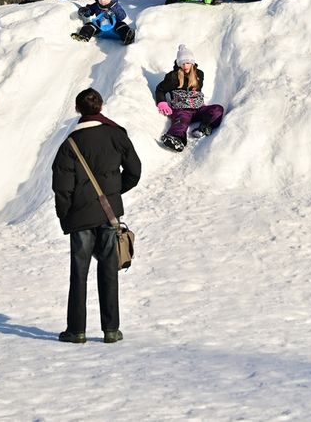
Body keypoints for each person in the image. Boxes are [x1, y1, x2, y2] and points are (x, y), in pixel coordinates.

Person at [50, 87, 141, 344]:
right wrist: (112, 193)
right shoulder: (116, 134)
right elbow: (134, 171)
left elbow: (62, 186)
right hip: (108, 214)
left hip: (80, 218)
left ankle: (76, 331)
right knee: (109, 271)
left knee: (78, 274)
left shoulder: (70, 144)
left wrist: (64, 216)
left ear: (78, 109)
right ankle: (111, 330)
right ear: (100, 107)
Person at [154, 45, 225, 152]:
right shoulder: (173, 77)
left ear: (192, 63)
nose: (185, 66)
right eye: (182, 63)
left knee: (218, 109)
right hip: (182, 109)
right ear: (179, 64)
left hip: (198, 108)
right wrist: (162, 102)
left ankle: (204, 128)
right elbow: (160, 89)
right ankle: (176, 139)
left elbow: (198, 90)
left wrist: (199, 102)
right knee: (181, 122)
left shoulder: (199, 74)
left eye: (187, 63)